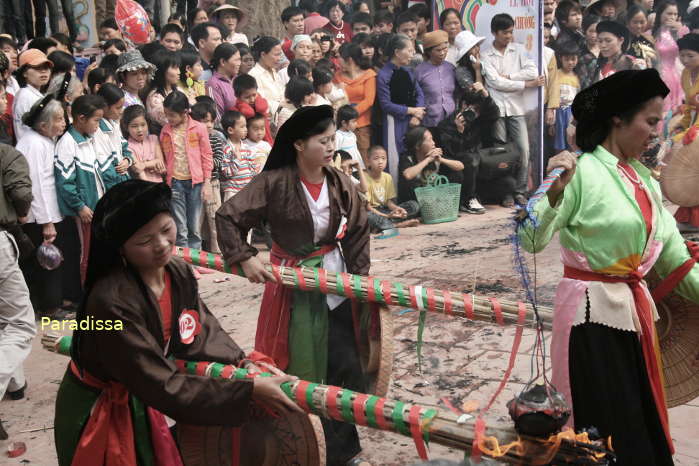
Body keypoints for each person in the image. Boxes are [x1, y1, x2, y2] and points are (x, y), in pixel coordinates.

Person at [53, 179, 300, 465]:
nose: (160, 245)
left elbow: (201, 328)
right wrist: (247, 392)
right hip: (105, 407)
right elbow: (158, 383)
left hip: (149, 391)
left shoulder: (177, 271)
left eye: (166, 230)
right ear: (121, 248)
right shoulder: (110, 302)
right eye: (145, 241)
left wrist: (242, 362)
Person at [518, 69, 689, 466]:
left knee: (635, 419)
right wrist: (552, 192)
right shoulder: (581, 171)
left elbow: (677, 262)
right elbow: (529, 239)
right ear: (618, 118)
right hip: (590, 323)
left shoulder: (643, 179)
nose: (654, 132)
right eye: (649, 122)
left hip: (633, 314)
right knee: (603, 426)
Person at [216, 105, 371, 466]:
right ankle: (299, 446)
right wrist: (245, 255)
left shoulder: (338, 181)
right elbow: (227, 216)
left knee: (342, 364)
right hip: (293, 284)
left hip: (335, 283)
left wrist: (360, 283)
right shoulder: (274, 182)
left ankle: (342, 451)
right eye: (323, 140)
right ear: (299, 144)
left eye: (333, 139)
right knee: (301, 364)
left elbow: (359, 229)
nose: (331, 147)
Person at [15, 95, 75, 321]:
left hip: (48, 214)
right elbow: (36, 187)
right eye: (58, 119)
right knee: (46, 262)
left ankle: (52, 303)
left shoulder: (43, 140)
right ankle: (49, 307)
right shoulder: (34, 144)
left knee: (50, 261)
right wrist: (46, 222)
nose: (63, 123)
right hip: (39, 217)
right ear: (43, 124)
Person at [481, 13, 544, 205]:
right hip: (497, 110)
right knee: (501, 154)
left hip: (516, 107)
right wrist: (525, 84)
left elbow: (532, 72)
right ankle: (505, 192)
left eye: (510, 32)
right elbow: (494, 82)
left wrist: (509, 76)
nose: (509, 36)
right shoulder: (485, 55)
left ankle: (520, 191)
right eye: (504, 32)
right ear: (494, 32)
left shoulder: (519, 50)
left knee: (523, 150)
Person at [54, 95, 117, 285]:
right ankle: (88, 296)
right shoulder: (67, 143)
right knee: (87, 254)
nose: (98, 125)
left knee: (100, 252)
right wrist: (79, 206)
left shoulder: (88, 139)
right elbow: (65, 182)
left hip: (97, 206)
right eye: (96, 120)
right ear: (81, 118)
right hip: (86, 211)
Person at [0, 134, 35, 441]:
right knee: (21, 324)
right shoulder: (6, 154)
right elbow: (21, 195)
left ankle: (16, 385)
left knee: (4, 321)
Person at [160, 91, 212, 250]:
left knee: (194, 226)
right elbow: (165, 155)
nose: (169, 119)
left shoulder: (199, 128)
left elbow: (206, 155)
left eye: (172, 115)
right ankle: (185, 263)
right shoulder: (165, 131)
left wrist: (207, 182)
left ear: (185, 112)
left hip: (195, 183)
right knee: (180, 227)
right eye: (166, 114)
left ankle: (196, 261)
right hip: (175, 182)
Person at [436, 88, 502, 211]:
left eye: (478, 110)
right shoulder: (446, 125)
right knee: (470, 159)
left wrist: (486, 95)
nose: (474, 113)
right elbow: (452, 153)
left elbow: (495, 114)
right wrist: (459, 132)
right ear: (463, 105)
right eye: (473, 109)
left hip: (478, 161)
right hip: (457, 163)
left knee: (508, 183)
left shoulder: (478, 121)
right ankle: (469, 199)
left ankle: (482, 197)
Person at [377, 34, 425, 184]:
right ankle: (395, 197)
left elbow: (419, 93)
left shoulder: (408, 71)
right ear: (397, 52)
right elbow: (386, 105)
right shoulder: (383, 74)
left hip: (412, 119)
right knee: (394, 158)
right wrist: (411, 111)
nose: (412, 54)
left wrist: (417, 115)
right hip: (394, 122)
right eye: (409, 51)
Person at [671, 34, 699, 230]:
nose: (685, 60)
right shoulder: (686, 75)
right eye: (682, 56)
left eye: (690, 55)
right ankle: (690, 216)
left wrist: (692, 132)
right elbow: (689, 106)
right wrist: (683, 124)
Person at [190, 100, 225, 253]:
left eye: (211, 121)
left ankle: (217, 250)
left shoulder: (216, 139)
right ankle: (198, 250)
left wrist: (205, 162)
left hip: (213, 183)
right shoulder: (192, 140)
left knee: (214, 217)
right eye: (204, 122)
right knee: (197, 218)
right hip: (196, 183)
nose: (209, 125)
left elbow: (219, 160)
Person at [398, 126, 465, 205]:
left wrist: (441, 160)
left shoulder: (435, 155)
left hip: (433, 198)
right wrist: (428, 159)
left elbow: (461, 166)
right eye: (429, 140)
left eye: (432, 139)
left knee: (457, 173)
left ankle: (448, 204)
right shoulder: (407, 157)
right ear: (417, 145)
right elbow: (408, 175)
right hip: (415, 200)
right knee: (411, 184)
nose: (433, 143)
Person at [364, 145, 420, 232]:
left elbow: (389, 202)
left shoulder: (387, 177)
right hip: (374, 211)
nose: (380, 162)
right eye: (376, 158)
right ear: (368, 161)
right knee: (368, 216)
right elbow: (368, 207)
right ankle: (398, 224)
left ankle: (384, 225)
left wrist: (397, 209)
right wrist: (387, 216)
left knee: (414, 205)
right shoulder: (365, 178)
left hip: (386, 210)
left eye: (383, 158)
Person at [336, 43, 376, 164]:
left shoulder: (369, 75)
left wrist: (350, 115)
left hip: (362, 125)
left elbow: (369, 100)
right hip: (342, 125)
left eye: (340, 58)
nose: (338, 61)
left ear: (349, 60)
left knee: (363, 159)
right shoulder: (337, 76)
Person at [577, 21, 646, 90]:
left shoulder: (631, 63)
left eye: (608, 41)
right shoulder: (598, 65)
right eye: (600, 41)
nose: (603, 45)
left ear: (621, 40)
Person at [415, 30, 456, 129]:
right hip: (430, 122)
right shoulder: (419, 71)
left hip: (451, 121)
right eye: (438, 50)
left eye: (445, 49)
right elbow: (415, 96)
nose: (442, 53)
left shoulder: (451, 68)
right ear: (429, 51)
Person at [653, 0, 688, 112]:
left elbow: (689, 51)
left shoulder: (682, 30)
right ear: (660, 14)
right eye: (669, 13)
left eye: (675, 14)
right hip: (658, 74)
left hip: (676, 74)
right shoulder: (652, 33)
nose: (672, 17)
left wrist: (680, 30)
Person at [95, 83, 132, 186]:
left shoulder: (114, 124)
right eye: (118, 107)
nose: (121, 111)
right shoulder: (97, 130)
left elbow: (125, 148)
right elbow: (106, 168)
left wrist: (127, 160)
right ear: (105, 107)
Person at [548, 42, 581, 152]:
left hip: (572, 114)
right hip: (559, 113)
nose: (570, 62)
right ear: (560, 58)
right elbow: (552, 96)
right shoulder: (555, 74)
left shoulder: (578, 77)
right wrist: (551, 123)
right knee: (559, 143)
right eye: (567, 59)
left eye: (573, 59)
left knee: (572, 142)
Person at [13, 49, 52, 140]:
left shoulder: (27, 93)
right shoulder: (26, 96)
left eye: (46, 67)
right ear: (24, 72)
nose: (43, 71)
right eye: (37, 67)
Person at [122, 104, 166, 183]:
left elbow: (160, 161)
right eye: (134, 126)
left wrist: (144, 165)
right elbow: (138, 169)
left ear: (147, 124)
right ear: (126, 127)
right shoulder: (127, 146)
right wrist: (152, 164)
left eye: (143, 125)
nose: (139, 129)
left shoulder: (153, 139)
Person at [219, 110, 256, 201]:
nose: (246, 129)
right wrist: (237, 160)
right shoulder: (226, 149)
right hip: (232, 192)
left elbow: (252, 168)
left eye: (245, 126)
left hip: (247, 190)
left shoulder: (246, 147)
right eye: (242, 126)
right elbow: (226, 173)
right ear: (231, 130)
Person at [232, 73, 273, 146]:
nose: (252, 99)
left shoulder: (260, 105)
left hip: (267, 144)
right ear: (237, 96)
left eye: (254, 95)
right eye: (247, 97)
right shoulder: (235, 112)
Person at [144, 51, 181, 130]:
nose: (179, 72)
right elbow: (173, 124)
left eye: (178, 68)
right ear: (162, 70)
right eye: (174, 68)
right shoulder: (154, 98)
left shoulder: (177, 89)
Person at [249, 36, 285, 116]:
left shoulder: (274, 72)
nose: (279, 58)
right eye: (276, 55)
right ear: (263, 54)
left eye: (280, 55)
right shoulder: (254, 75)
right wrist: (282, 105)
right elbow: (260, 102)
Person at [207, 43, 241, 121]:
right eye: (236, 60)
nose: (239, 63)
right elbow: (217, 118)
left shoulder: (238, 79)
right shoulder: (213, 84)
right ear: (222, 62)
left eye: (240, 59)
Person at [453, 30, 488, 100]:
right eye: (473, 47)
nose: (477, 49)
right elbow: (478, 93)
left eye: (477, 45)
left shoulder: (482, 62)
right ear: (466, 52)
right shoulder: (461, 71)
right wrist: (477, 70)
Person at [335, 104, 364, 168]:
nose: (356, 124)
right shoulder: (338, 136)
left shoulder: (352, 134)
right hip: (346, 167)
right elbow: (336, 154)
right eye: (353, 121)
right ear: (344, 123)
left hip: (356, 166)